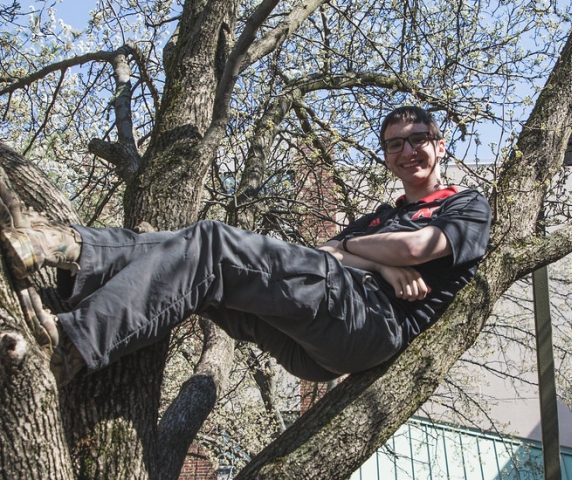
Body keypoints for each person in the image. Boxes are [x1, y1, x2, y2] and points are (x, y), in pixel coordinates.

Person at [0, 106, 491, 385]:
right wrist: (378, 262)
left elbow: (417, 249)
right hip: (315, 335)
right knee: (189, 260)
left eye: (418, 139)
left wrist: (364, 252)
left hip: (370, 326)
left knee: (211, 242)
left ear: (440, 143)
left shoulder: (467, 205)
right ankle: (68, 248)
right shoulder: (381, 217)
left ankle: (71, 345)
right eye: (394, 145)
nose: (407, 152)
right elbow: (328, 250)